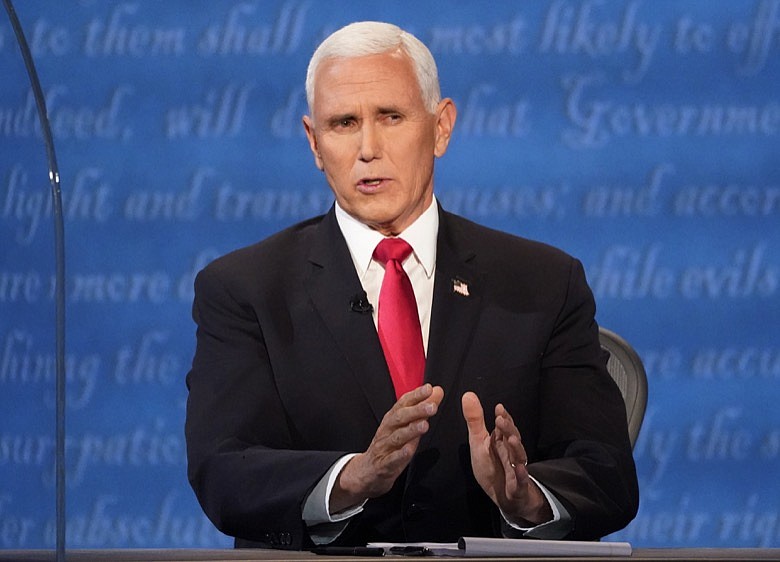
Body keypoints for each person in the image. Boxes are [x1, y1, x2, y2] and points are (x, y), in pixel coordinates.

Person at [185, 21, 639, 550]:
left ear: (441, 127)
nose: (367, 148)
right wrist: (351, 478)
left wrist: (527, 497)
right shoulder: (246, 289)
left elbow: (606, 473)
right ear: (313, 141)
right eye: (343, 123)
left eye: (391, 117)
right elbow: (223, 470)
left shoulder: (542, 283)